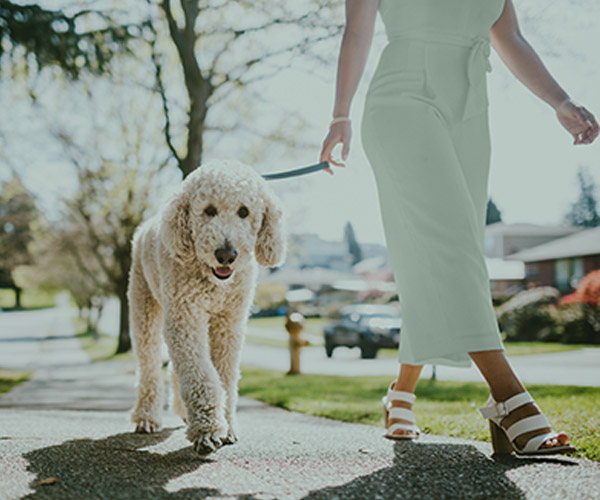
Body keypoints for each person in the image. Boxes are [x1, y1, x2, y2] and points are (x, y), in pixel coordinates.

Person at [319, 0, 598, 456]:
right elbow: (357, 31)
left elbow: (509, 38)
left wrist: (560, 101)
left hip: (470, 111)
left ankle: (401, 392)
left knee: (446, 255)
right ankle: (508, 398)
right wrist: (339, 115)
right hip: (401, 100)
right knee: (450, 249)